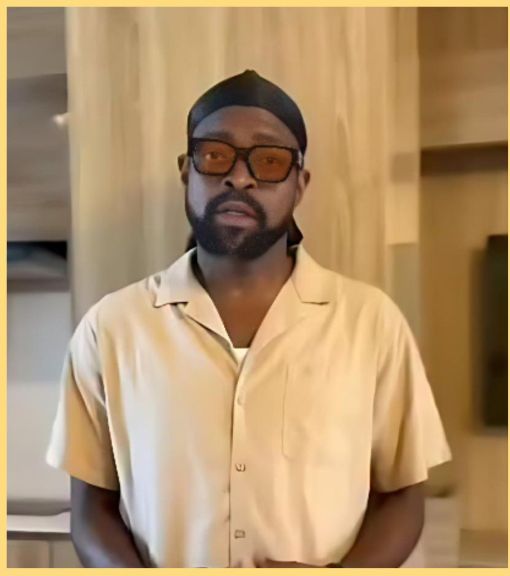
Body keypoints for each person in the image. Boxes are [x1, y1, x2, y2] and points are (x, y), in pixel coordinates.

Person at [46, 70, 450, 568]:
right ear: (186, 171)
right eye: (216, 155)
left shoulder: (372, 323)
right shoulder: (111, 329)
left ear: (300, 185)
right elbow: (91, 509)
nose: (240, 177)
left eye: (269, 160)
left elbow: (402, 494)